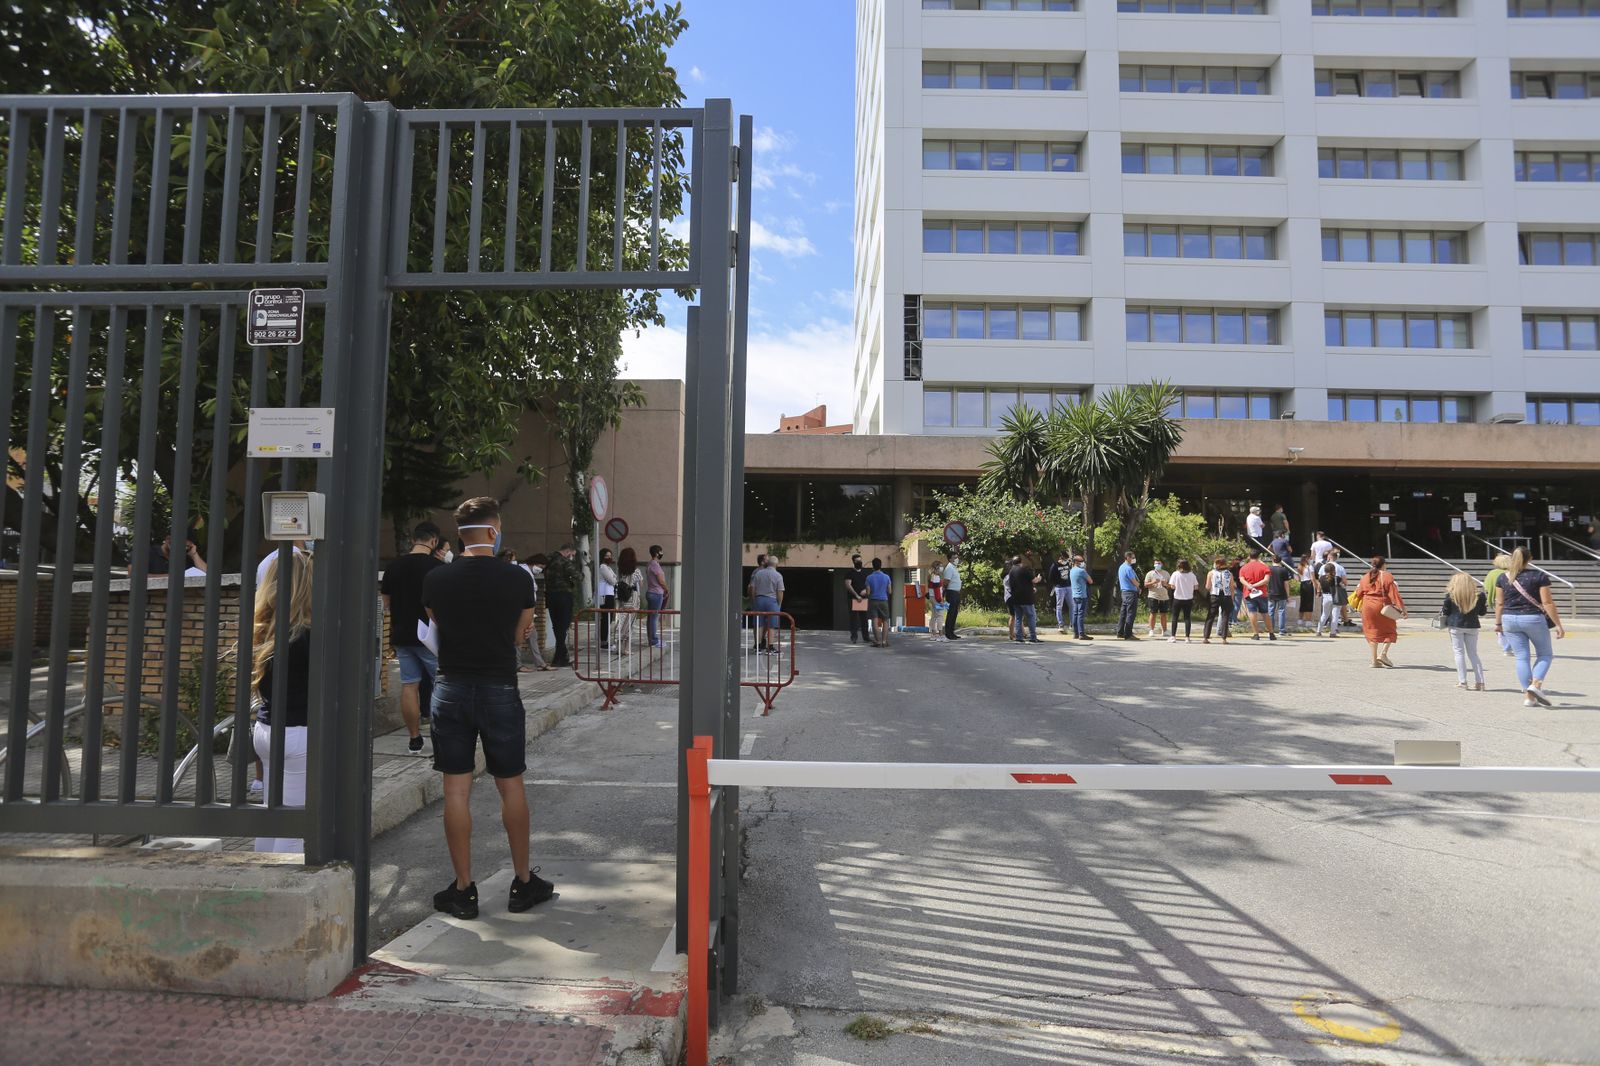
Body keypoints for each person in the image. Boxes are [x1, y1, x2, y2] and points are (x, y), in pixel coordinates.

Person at [421, 496, 552, 919]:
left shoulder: (437, 578)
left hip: (451, 687)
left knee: (455, 790)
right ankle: (523, 883)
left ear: (458, 533)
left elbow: (436, 625)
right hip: (499, 686)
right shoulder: (518, 579)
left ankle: (463, 889)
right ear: (494, 531)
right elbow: (519, 637)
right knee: (510, 783)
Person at [250, 551, 313, 853]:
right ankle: (277, 893)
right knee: (294, 827)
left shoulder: (267, 629)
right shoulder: (308, 635)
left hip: (266, 729)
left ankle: (258, 883)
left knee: (271, 817)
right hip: (297, 734)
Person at [380, 521, 446, 755]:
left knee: (410, 685)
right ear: (434, 541)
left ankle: (414, 739)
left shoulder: (393, 567)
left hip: (401, 634)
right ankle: (441, 738)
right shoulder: (436, 567)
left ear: (413, 540)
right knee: (441, 686)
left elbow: (386, 603)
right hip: (431, 636)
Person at [1495, 547, 1566, 708]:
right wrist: (1558, 625)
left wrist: (1498, 624)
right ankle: (1536, 685)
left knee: (1521, 657)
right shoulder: (1539, 576)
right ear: (1530, 558)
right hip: (1532, 618)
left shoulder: (1502, 577)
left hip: (1508, 619)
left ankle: (1529, 697)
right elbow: (1547, 602)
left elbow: (1499, 603)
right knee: (1545, 654)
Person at [1354, 555, 1407, 668]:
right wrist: (1402, 609)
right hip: (1382, 606)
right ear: (1383, 565)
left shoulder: (1365, 577)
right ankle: (1383, 654)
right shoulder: (1387, 576)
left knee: (1371, 631)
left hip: (1367, 607)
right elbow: (1394, 594)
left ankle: (1374, 661)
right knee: (1390, 630)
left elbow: (1358, 593)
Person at [1442, 572, 1488, 690]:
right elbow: (1482, 612)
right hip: (1472, 626)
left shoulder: (1451, 595)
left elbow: (1445, 612)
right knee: (1473, 654)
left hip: (1456, 626)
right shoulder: (1480, 596)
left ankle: (1463, 682)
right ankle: (1480, 682)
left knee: (1459, 653)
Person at [543, 544, 581, 667]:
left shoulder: (548, 559)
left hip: (550, 596)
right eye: (573, 555)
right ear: (568, 551)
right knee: (563, 626)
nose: (572, 557)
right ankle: (559, 658)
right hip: (564, 596)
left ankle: (561, 657)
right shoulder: (565, 562)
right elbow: (578, 576)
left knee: (556, 626)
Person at [519, 552, 551, 671]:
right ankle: (517, 665)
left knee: (532, 635)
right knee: (520, 637)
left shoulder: (528, 572)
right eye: (541, 567)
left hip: (528, 610)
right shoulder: (523, 571)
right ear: (535, 563)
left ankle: (540, 663)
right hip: (522, 610)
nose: (541, 570)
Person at [749, 555, 785, 654]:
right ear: (776, 565)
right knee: (771, 625)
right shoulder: (778, 575)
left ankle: (758, 646)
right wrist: (779, 604)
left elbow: (752, 588)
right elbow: (780, 592)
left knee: (759, 624)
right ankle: (770, 647)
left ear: (767, 563)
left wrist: (753, 600)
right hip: (772, 601)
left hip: (759, 599)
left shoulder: (758, 573)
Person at [1237, 549, 1272, 640]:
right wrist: (1256, 585)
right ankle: (1271, 633)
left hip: (1249, 593)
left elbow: (1241, 579)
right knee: (1265, 613)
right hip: (1262, 593)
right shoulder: (1264, 567)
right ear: (1259, 557)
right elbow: (1266, 580)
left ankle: (1256, 634)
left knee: (1252, 612)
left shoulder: (1244, 568)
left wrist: (1250, 586)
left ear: (1249, 556)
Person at [613, 546, 642, 658]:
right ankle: (626, 649)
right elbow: (641, 584)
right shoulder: (637, 571)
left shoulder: (620, 571)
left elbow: (617, 581)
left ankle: (618, 648)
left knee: (621, 621)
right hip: (632, 598)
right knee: (630, 624)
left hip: (622, 598)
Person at [1007, 554, 1041, 644]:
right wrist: (1038, 578)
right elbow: (1034, 580)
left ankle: (1019, 637)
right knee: (1031, 617)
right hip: (1026, 598)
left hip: (1015, 598)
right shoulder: (1024, 569)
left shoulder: (1011, 571)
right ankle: (1033, 637)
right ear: (1021, 561)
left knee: (1018, 618)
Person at [1484, 553, 1512, 657]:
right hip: (1509, 601)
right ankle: (1507, 647)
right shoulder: (1510, 573)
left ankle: (1504, 641)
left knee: (1501, 622)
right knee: (1508, 624)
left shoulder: (1491, 573)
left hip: (1496, 601)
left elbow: (1486, 587)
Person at [1202, 556, 1234, 644]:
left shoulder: (1211, 573)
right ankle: (1224, 638)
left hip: (1215, 595)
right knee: (1225, 616)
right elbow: (1231, 587)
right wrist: (1232, 598)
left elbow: (1207, 586)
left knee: (1210, 616)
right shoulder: (1229, 574)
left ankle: (1206, 637)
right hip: (1226, 595)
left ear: (1217, 564)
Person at [1167, 558, 1198, 643]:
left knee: (1175, 617)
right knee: (1187, 618)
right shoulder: (1192, 575)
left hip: (1177, 598)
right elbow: (1196, 587)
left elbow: (1172, 586)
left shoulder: (1175, 574)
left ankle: (1173, 636)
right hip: (1188, 598)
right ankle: (1187, 637)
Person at [646, 545, 669, 649]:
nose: (662, 553)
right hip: (656, 593)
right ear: (656, 553)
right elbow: (660, 580)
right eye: (661, 551)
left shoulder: (650, 564)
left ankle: (651, 639)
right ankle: (654, 641)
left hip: (650, 592)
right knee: (654, 617)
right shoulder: (655, 564)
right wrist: (666, 589)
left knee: (651, 617)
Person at [865, 557, 893, 647]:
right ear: (881, 565)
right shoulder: (886, 577)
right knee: (885, 621)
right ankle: (884, 641)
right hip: (884, 600)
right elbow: (890, 591)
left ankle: (877, 641)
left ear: (872, 566)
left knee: (875, 621)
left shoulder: (869, 578)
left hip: (873, 600)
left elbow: (868, 592)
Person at [1268, 553, 1296, 638]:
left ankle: (1271, 629)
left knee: (1270, 612)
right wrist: (1288, 595)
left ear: (1272, 560)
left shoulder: (1268, 569)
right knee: (1281, 611)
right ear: (1281, 561)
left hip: (1271, 593)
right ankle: (1282, 630)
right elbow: (1286, 584)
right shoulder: (1283, 570)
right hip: (1281, 594)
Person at [844, 554, 870, 644]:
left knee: (864, 619)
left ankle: (866, 637)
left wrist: (866, 592)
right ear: (853, 562)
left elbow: (868, 585)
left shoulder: (864, 573)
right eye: (857, 561)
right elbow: (848, 585)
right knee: (853, 619)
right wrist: (856, 595)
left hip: (863, 599)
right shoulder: (849, 573)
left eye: (860, 560)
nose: (859, 562)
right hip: (853, 599)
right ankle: (854, 637)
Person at [596, 547, 618, 650]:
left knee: (608, 619)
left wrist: (614, 578)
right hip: (605, 595)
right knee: (606, 618)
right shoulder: (603, 567)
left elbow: (614, 579)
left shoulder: (607, 567)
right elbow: (613, 581)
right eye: (606, 556)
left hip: (609, 594)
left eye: (610, 556)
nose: (609, 557)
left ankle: (605, 640)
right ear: (602, 557)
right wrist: (614, 578)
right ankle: (604, 642)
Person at [1046, 550, 1072, 634]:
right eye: (1066, 559)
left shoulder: (1068, 564)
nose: (1067, 560)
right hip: (1060, 588)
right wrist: (1057, 583)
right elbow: (1050, 577)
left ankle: (1072, 623)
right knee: (1059, 606)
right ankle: (1061, 624)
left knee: (1072, 605)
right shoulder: (1055, 565)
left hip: (1068, 587)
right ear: (1062, 558)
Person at [1116, 552, 1141, 640]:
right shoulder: (1128, 568)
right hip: (1130, 592)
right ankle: (1128, 634)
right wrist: (1138, 586)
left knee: (1123, 613)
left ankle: (1120, 632)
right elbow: (1133, 581)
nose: (1134, 559)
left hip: (1124, 592)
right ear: (1128, 558)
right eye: (1133, 557)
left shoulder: (1121, 567)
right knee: (1131, 613)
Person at [1068, 554, 1093, 640]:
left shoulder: (1071, 570)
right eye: (1081, 561)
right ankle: (1081, 633)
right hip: (1082, 595)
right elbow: (1090, 581)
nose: (1083, 563)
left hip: (1074, 595)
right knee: (1081, 615)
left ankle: (1075, 633)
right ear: (1076, 562)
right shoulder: (1081, 571)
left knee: (1075, 614)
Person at [1144, 558, 1170, 638]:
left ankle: (1164, 630)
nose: (1157, 565)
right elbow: (1145, 585)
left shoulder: (1166, 573)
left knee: (1164, 614)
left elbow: (1171, 586)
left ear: (1162, 564)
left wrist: (1165, 584)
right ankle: (1151, 630)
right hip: (1153, 596)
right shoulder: (1150, 573)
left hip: (1164, 596)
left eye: (1159, 563)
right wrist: (1153, 582)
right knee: (1153, 613)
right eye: (1156, 563)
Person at [942, 550, 964, 640]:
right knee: (951, 613)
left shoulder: (954, 568)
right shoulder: (949, 568)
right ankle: (948, 633)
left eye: (957, 557)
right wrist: (944, 593)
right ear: (950, 559)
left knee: (954, 613)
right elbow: (946, 582)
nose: (957, 559)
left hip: (956, 592)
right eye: (955, 558)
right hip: (951, 593)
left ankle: (952, 632)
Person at [1315, 559, 1339, 638]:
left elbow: (1320, 586)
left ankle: (1319, 631)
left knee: (1324, 614)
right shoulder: (1337, 578)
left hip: (1325, 597)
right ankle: (1332, 633)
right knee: (1335, 616)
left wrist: (1318, 593)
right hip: (1335, 597)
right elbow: (1343, 584)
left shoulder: (1321, 578)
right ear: (1333, 570)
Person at [1296, 553, 1318, 631]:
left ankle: (1300, 619)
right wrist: (1317, 587)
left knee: (1303, 602)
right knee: (1309, 602)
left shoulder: (1299, 567)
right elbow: (1313, 578)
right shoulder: (1310, 567)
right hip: (1309, 584)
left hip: (1302, 584)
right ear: (1307, 559)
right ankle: (1308, 620)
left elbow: (1298, 578)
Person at [926, 568, 948, 642]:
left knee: (934, 616)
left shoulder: (931, 576)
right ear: (936, 568)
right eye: (940, 566)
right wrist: (940, 600)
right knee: (940, 616)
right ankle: (941, 635)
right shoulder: (936, 577)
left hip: (932, 598)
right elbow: (937, 591)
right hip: (936, 599)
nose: (942, 568)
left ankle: (933, 634)